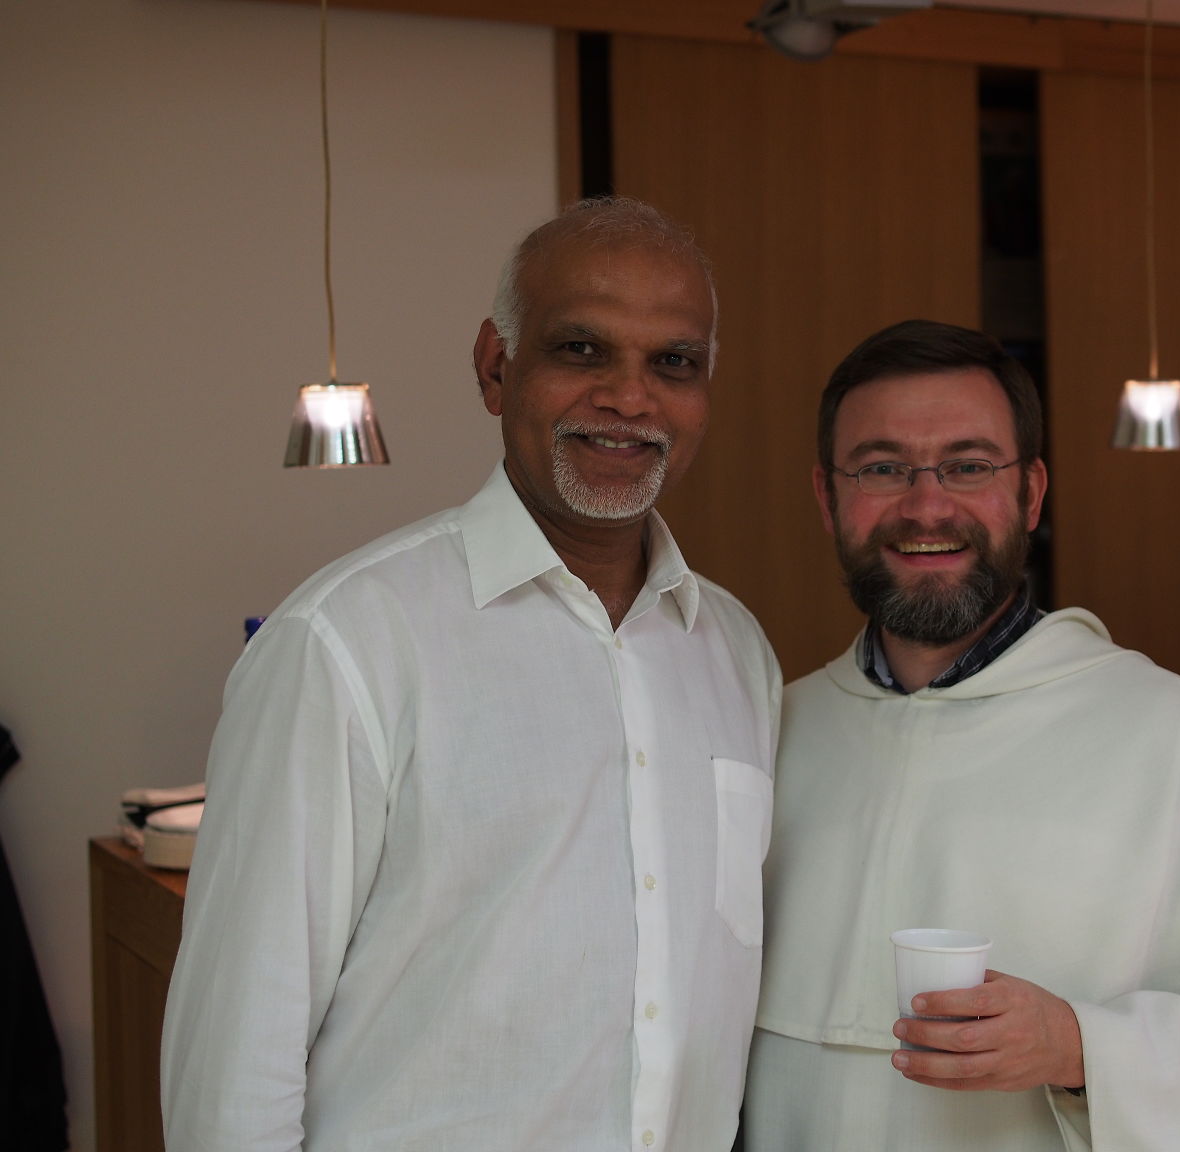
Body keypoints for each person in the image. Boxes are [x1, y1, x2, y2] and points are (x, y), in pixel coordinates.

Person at [162, 197, 780, 1152]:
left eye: (673, 363)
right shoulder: (347, 641)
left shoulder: (735, 652)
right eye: (582, 350)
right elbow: (235, 1064)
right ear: (497, 367)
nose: (630, 399)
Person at [745, 319, 1180, 1151]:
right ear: (828, 499)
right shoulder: (772, 732)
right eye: (882, 468)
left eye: (969, 466)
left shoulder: (1165, 733)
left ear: (1032, 494)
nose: (926, 505)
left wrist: (1080, 1048)